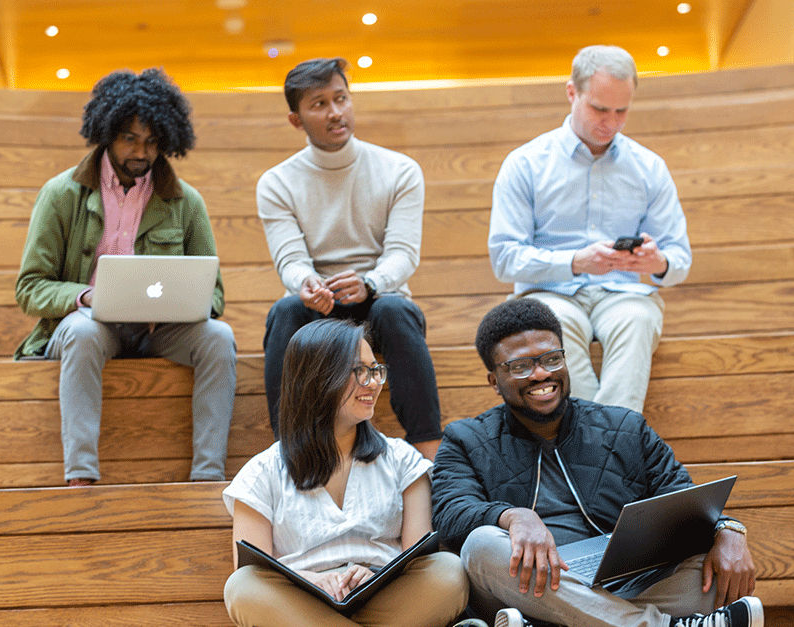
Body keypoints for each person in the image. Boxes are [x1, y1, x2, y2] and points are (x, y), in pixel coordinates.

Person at [431, 298, 763, 627]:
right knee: (481, 547)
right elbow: (450, 513)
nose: (541, 374)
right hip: (528, 587)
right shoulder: (466, 438)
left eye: (551, 358)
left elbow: (682, 498)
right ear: (494, 381)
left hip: (623, 587)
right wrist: (512, 516)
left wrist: (727, 529)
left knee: (711, 568)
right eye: (521, 366)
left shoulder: (625, 427)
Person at [15, 68, 236, 486]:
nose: (142, 150)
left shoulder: (185, 201)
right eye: (130, 138)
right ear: (107, 133)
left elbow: (216, 294)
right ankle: (80, 476)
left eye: (152, 141)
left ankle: (208, 477)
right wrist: (87, 297)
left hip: (161, 332)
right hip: (92, 327)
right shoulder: (61, 194)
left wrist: (183, 303)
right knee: (81, 332)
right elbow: (30, 288)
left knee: (219, 338)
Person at [222, 319, 468, 626]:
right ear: (316, 377)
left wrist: (376, 574)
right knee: (243, 587)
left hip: (388, 599)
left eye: (376, 369)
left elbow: (417, 556)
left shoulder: (403, 460)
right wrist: (311, 578)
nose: (374, 382)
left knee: (448, 570)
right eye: (360, 371)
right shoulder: (261, 472)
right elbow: (252, 568)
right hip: (302, 605)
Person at [487, 45, 692, 413]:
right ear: (572, 92)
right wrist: (576, 262)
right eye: (599, 108)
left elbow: (679, 261)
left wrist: (657, 263)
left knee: (638, 318)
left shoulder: (649, 167)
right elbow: (505, 259)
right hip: (550, 294)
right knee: (556, 326)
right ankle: (616, 450)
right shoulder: (525, 164)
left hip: (623, 294)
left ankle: (596, 448)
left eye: (621, 111)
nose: (610, 122)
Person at [257, 57, 442, 460]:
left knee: (395, 311)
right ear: (296, 119)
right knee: (285, 311)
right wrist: (306, 284)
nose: (335, 112)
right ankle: (285, 451)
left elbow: (403, 254)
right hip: (317, 307)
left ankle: (430, 453)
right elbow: (290, 259)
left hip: (380, 297)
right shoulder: (277, 182)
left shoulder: (400, 170)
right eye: (319, 104)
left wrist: (371, 282)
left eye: (341, 98)